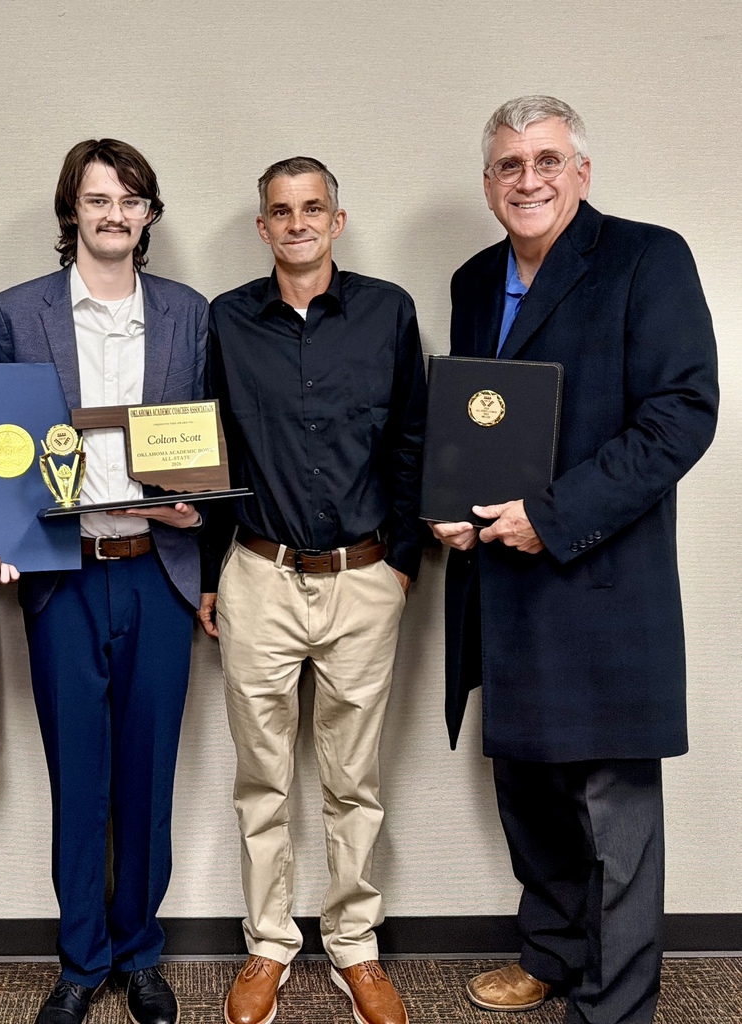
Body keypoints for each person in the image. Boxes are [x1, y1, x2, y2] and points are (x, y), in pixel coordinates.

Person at [433, 96, 718, 1024]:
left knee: (612, 814)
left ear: (581, 173)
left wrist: (549, 517)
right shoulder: (474, 279)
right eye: (510, 165)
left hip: (597, 580)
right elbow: (472, 425)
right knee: (527, 792)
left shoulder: (647, 257)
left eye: (547, 161)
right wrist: (448, 513)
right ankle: (551, 955)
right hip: (501, 585)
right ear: (487, 184)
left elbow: (681, 414)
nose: (529, 180)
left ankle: (615, 1003)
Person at [0, 139, 206, 1024]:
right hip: (64, 581)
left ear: (149, 216)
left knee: (148, 779)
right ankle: (80, 963)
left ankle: (139, 953)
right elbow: (0, 448)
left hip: (158, 574)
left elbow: (203, 442)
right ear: (71, 210)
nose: (114, 213)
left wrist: (195, 514)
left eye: (131, 200)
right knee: (79, 779)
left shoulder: (188, 313)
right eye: (98, 198)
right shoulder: (19, 311)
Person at [199, 157, 426, 1024]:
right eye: (280, 212)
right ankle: (267, 943)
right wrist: (217, 571)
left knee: (353, 778)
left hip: (363, 578)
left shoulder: (387, 311)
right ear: (262, 228)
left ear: (337, 219)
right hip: (258, 574)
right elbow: (210, 448)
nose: (296, 223)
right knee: (262, 777)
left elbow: (412, 439)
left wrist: (401, 560)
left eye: (312, 209)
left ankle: (355, 948)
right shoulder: (226, 320)